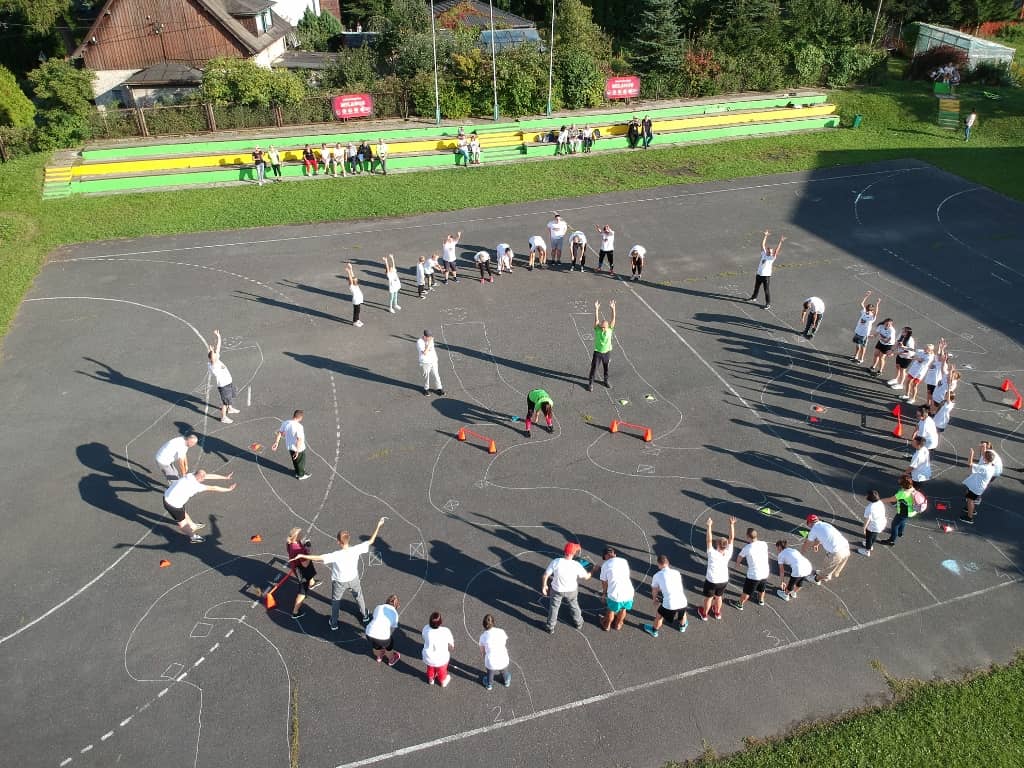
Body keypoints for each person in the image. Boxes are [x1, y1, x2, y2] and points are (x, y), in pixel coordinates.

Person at [294, 517, 386, 629]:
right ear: (348, 539)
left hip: (339, 582)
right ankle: (365, 615)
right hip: (353, 579)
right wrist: (378, 526)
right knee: (359, 596)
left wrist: (303, 555)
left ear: (338, 542)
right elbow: (371, 541)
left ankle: (334, 623)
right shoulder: (356, 549)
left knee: (336, 601)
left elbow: (319, 557)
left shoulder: (336, 555)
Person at [163, 469, 235, 543]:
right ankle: (193, 537)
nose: (204, 479)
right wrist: (228, 489)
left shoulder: (190, 475)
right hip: (173, 505)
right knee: (183, 524)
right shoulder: (196, 486)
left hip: (170, 496)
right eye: (203, 478)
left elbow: (207, 476)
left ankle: (192, 526)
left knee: (183, 512)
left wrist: (225, 477)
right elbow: (213, 487)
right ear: (200, 478)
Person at [541, 542, 592, 633]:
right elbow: (586, 577)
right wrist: (593, 571)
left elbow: (545, 575)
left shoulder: (556, 562)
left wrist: (544, 585)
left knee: (554, 607)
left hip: (557, 590)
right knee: (574, 605)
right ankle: (578, 622)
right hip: (571, 590)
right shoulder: (576, 565)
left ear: (564, 552)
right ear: (573, 554)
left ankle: (550, 626)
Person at [698, 517, 735, 621]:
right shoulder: (728, 552)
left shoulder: (712, 553)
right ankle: (717, 612)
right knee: (719, 597)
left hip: (712, 580)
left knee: (709, 598)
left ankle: (704, 614)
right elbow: (731, 538)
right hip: (723, 580)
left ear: (717, 545)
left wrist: (709, 526)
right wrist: (732, 525)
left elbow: (708, 540)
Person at [643, 554, 688, 637]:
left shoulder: (657, 575)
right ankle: (682, 626)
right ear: (668, 563)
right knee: (682, 613)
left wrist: (654, 599)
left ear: (659, 564)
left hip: (669, 604)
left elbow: (654, 589)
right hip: (682, 601)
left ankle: (654, 631)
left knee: (659, 616)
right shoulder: (676, 572)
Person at [802, 514, 850, 583]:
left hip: (837, 553)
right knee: (834, 565)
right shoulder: (825, 524)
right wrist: (816, 545)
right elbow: (821, 536)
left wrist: (802, 553)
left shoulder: (814, 530)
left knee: (827, 568)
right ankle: (829, 573)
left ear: (809, 523)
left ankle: (816, 579)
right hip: (846, 548)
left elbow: (807, 543)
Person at [207, 329, 240, 423]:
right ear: (212, 358)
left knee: (231, 396)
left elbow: (218, 348)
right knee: (225, 402)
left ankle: (230, 408)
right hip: (223, 386)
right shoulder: (213, 365)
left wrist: (219, 337)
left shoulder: (216, 360)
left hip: (228, 382)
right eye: (215, 354)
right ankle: (223, 417)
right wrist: (211, 351)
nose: (217, 354)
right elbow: (213, 357)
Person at [599, 546, 635, 631]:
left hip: (615, 594)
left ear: (606, 556)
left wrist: (604, 593)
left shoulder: (605, 565)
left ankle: (607, 625)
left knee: (611, 610)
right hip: (629, 592)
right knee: (623, 609)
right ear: (614, 554)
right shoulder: (624, 561)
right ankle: (618, 624)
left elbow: (604, 582)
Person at [286, 527, 318, 618]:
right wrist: (308, 551)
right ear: (297, 536)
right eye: (300, 533)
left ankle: (312, 583)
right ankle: (295, 612)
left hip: (296, 566)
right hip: (301, 570)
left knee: (309, 576)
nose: (302, 534)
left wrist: (304, 547)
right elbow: (305, 564)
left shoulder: (291, 543)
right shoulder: (298, 549)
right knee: (302, 591)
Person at [734, 527, 770, 609]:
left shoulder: (747, 548)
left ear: (747, 536)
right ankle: (761, 600)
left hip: (754, 575)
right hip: (765, 572)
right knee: (762, 588)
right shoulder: (764, 544)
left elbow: (740, 556)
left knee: (747, 592)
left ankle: (740, 604)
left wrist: (737, 564)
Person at [748, 230, 784, 309]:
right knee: (756, 287)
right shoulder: (764, 254)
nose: (770, 253)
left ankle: (768, 304)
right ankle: (754, 297)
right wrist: (765, 236)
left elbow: (777, 251)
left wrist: (780, 242)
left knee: (766, 290)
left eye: (771, 252)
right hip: (759, 274)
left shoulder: (772, 258)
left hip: (766, 276)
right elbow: (762, 245)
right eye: (769, 251)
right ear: (767, 251)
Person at [586, 299, 616, 392]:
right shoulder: (597, 329)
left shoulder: (610, 329)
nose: (603, 328)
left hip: (607, 353)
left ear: (608, 326)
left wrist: (613, 308)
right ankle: (591, 383)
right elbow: (596, 320)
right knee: (594, 368)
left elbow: (613, 319)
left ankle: (605, 381)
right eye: (601, 326)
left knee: (606, 368)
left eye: (604, 327)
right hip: (598, 353)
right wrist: (596, 309)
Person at [960, 447, 996, 524]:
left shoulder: (984, 468)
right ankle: (970, 509)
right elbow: (984, 455)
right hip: (978, 486)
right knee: (970, 498)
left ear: (985, 459)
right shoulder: (991, 466)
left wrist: (971, 454)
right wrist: (984, 447)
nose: (982, 456)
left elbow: (970, 464)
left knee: (970, 500)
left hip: (976, 487)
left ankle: (969, 518)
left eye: (984, 456)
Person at [272, 409, 310, 480]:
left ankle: (298, 471)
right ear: (300, 418)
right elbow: (299, 439)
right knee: (300, 461)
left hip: (290, 446)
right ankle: (300, 475)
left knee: (295, 461)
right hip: (299, 448)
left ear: (294, 415)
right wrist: (297, 451)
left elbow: (280, 433)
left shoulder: (285, 423)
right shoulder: (299, 426)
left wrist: (276, 443)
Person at [365, 594, 401, 666]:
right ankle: (391, 659)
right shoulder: (395, 614)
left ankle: (379, 656)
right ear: (397, 605)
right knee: (389, 646)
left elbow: (374, 616)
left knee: (376, 645)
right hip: (383, 637)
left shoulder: (379, 607)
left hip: (369, 632)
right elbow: (393, 627)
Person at [421, 612, 455, 686]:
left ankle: (431, 679)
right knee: (442, 670)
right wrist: (451, 647)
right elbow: (451, 645)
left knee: (430, 668)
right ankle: (442, 681)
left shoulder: (426, 628)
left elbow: (423, 637)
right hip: (441, 658)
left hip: (428, 656)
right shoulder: (445, 631)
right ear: (440, 622)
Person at [478, 614, 511, 690]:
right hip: (503, 657)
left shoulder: (483, 636)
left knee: (490, 672)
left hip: (491, 661)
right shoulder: (501, 631)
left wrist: (484, 655)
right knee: (504, 670)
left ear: (484, 625)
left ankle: (489, 684)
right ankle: (506, 681)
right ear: (493, 622)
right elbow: (505, 641)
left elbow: (482, 649)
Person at [881, 474, 915, 545]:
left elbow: (890, 499)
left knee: (894, 525)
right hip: (911, 511)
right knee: (902, 521)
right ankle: (900, 532)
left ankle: (891, 540)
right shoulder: (912, 488)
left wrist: (878, 501)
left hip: (904, 512)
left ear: (903, 484)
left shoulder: (902, 493)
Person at [851, 291, 879, 365]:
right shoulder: (864, 312)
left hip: (864, 334)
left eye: (869, 309)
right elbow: (861, 303)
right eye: (867, 308)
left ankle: (861, 359)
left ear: (872, 310)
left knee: (863, 347)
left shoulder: (872, 317)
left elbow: (876, 313)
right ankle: (856, 356)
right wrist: (866, 296)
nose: (867, 310)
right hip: (858, 331)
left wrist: (877, 304)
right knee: (857, 345)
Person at [857, 490, 888, 556]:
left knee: (869, 537)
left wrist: (864, 528)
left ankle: (867, 551)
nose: (865, 495)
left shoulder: (870, 507)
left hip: (874, 525)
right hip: (881, 523)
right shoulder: (880, 502)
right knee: (874, 535)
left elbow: (867, 520)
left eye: (867, 495)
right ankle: (870, 545)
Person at [417, 329, 444, 396]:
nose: (430, 338)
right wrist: (428, 343)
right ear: (425, 336)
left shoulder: (430, 339)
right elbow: (425, 352)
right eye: (428, 337)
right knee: (426, 376)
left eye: (430, 336)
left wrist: (429, 341)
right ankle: (426, 389)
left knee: (436, 375)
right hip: (425, 362)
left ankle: (439, 388)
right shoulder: (419, 342)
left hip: (433, 361)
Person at [345, 263, 364, 328]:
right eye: (355, 280)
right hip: (356, 300)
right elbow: (351, 279)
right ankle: (354, 322)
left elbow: (353, 276)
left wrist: (351, 269)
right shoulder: (352, 286)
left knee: (358, 311)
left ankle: (357, 320)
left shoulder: (356, 285)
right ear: (353, 281)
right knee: (356, 311)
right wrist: (348, 272)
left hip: (358, 300)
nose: (357, 280)